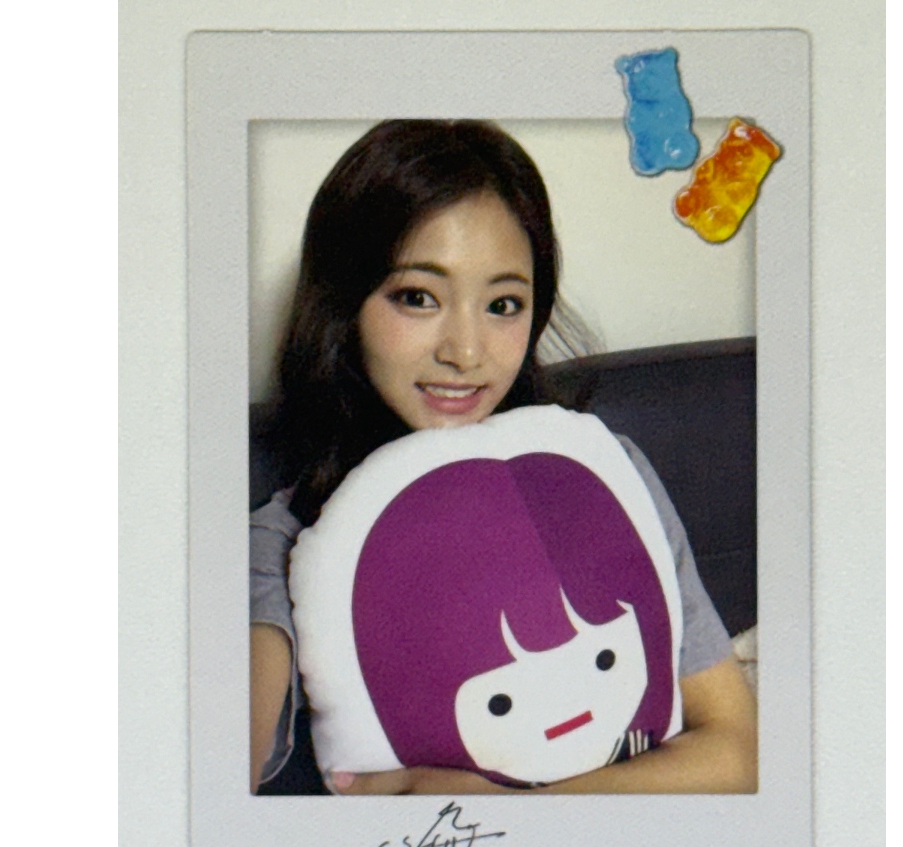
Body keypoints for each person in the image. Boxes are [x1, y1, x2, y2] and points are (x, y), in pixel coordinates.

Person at [250, 119, 757, 796]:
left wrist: (505, 813)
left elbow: (738, 752)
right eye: (418, 297)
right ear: (344, 303)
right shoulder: (284, 541)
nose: (465, 351)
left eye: (503, 304)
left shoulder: (604, 475)